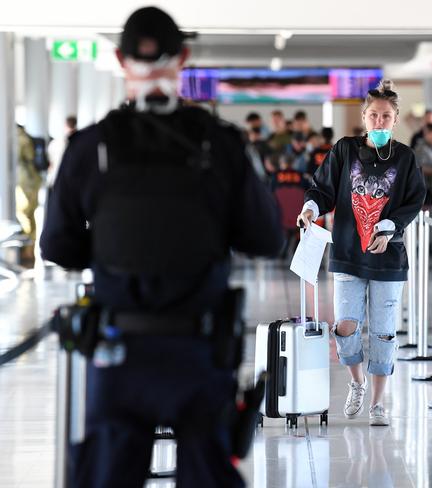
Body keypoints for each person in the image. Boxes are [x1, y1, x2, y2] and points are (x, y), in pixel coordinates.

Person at [40, 7, 284, 488]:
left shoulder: (90, 148)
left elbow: (59, 246)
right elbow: (265, 238)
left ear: (120, 60)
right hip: (199, 351)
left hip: (118, 353)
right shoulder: (222, 145)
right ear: (184, 59)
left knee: (108, 472)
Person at [297, 79, 426, 426]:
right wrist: (311, 208)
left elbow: (414, 201)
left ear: (395, 119)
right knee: (345, 326)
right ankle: (357, 382)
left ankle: (379, 404)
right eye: (373, 115)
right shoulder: (344, 150)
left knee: (384, 331)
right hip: (348, 253)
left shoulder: (406, 158)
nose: (379, 122)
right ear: (364, 117)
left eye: (386, 116)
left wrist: (389, 228)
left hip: (388, 256)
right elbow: (322, 187)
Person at [15, 124, 41, 264]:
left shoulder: (19, 139)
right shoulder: (26, 137)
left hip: (24, 182)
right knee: (30, 215)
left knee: (23, 214)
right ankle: (29, 248)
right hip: (33, 181)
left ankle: (26, 248)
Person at [47, 115, 78, 190]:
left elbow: (50, 164)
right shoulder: (81, 143)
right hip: (71, 183)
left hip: (56, 181)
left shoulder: (54, 144)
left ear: (65, 126)